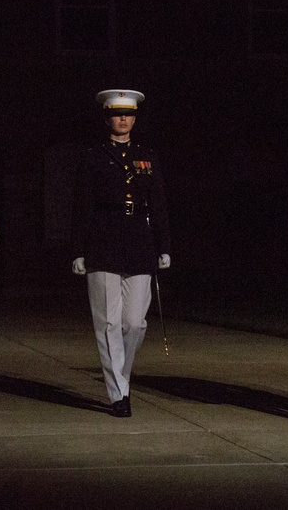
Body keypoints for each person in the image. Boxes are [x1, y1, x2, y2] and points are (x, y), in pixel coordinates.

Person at [71, 89, 171, 418]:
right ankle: (118, 394)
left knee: (135, 324)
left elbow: (158, 204)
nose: (123, 119)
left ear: (135, 118)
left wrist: (163, 245)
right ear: (107, 118)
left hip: (140, 240)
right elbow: (82, 205)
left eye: (128, 114)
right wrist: (79, 249)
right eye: (117, 114)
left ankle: (121, 377)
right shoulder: (93, 155)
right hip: (103, 239)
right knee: (108, 322)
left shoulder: (147, 156)